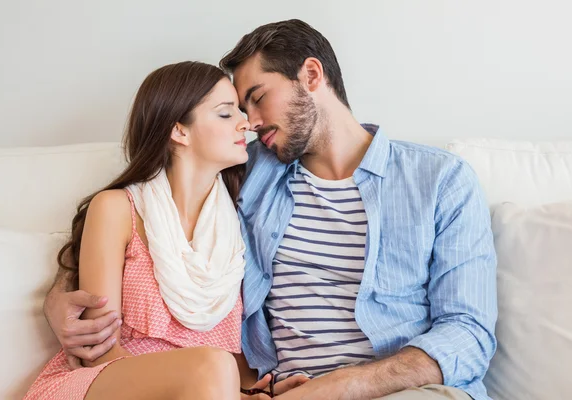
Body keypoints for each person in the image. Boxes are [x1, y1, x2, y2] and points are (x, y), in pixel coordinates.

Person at [44, 20, 498, 400]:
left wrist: (337, 387)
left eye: (258, 98)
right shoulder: (251, 174)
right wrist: (60, 296)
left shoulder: (440, 180)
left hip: (404, 392)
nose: (250, 122)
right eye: (237, 110)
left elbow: (469, 335)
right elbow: (148, 223)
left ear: (312, 75)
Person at [24, 61, 303, 400]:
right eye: (226, 114)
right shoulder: (116, 209)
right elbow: (100, 349)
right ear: (179, 131)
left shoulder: (237, 226)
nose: (245, 123)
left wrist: (248, 394)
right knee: (212, 366)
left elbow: (227, 357)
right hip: (106, 381)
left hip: (205, 387)